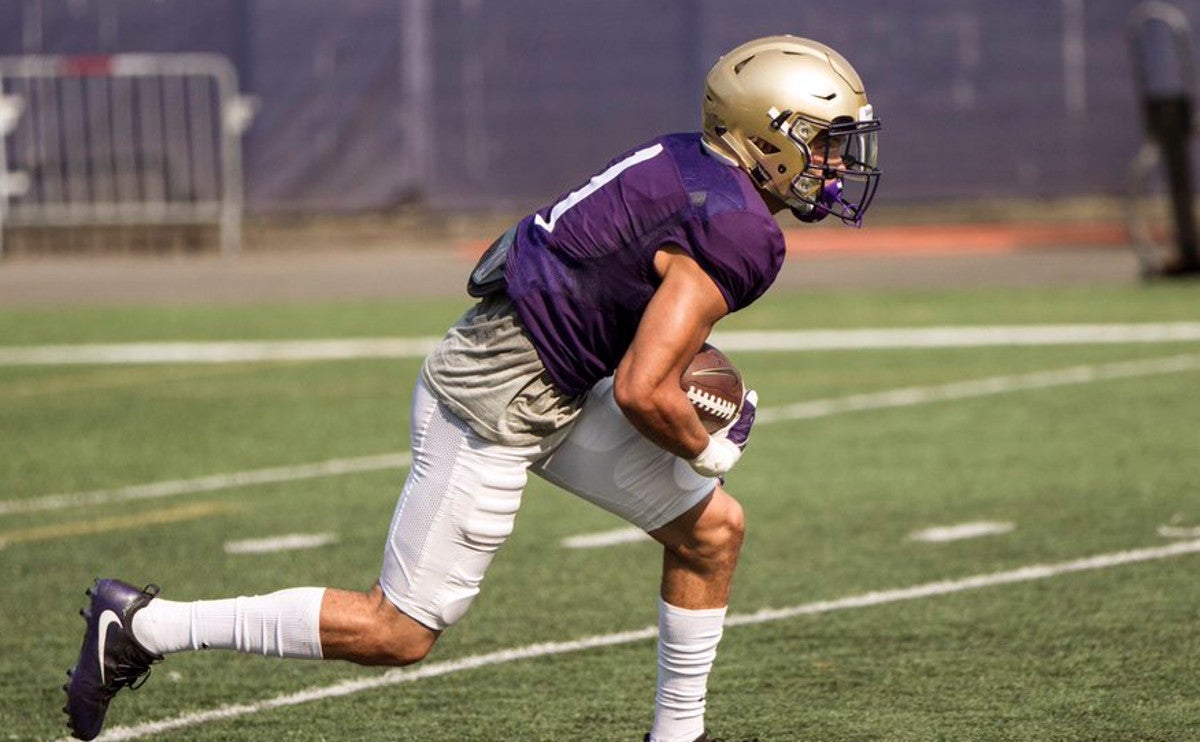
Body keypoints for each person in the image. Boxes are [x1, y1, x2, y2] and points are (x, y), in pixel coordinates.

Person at [63, 35, 881, 742]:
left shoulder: (688, 164)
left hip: (552, 371)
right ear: (766, 137)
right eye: (828, 141)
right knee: (398, 632)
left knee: (712, 535)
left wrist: (698, 415)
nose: (839, 163)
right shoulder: (738, 228)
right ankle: (143, 627)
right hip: (500, 393)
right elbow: (643, 389)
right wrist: (706, 444)